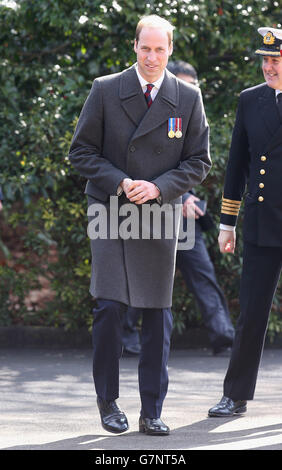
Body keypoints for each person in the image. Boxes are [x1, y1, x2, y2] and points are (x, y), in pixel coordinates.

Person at [68, 14, 211, 435]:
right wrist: (123, 181)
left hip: (159, 209)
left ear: (170, 50)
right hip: (111, 208)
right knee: (109, 305)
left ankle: (152, 409)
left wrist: (160, 187)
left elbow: (199, 161)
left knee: (156, 311)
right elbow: (81, 153)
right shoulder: (106, 89)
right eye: (145, 48)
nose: (152, 57)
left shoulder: (187, 98)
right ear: (134, 46)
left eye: (160, 49)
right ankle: (108, 400)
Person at [122, 61, 234, 357]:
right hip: (152, 211)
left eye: (191, 85)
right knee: (147, 274)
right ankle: (125, 335)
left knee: (202, 273)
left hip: (185, 217)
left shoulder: (193, 115)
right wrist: (178, 197)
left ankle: (223, 334)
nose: (187, 91)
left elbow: (194, 164)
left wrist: (188, 198)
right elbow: (145, 162)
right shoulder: (152, 113)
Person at [208, 27, 282, 417]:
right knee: (251, 312)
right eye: (265, 60)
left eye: (276, 59)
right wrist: (227, 223)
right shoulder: (250, 100)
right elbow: (237, 164)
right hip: (261, 221)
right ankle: (235, 395)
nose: (269, 66)